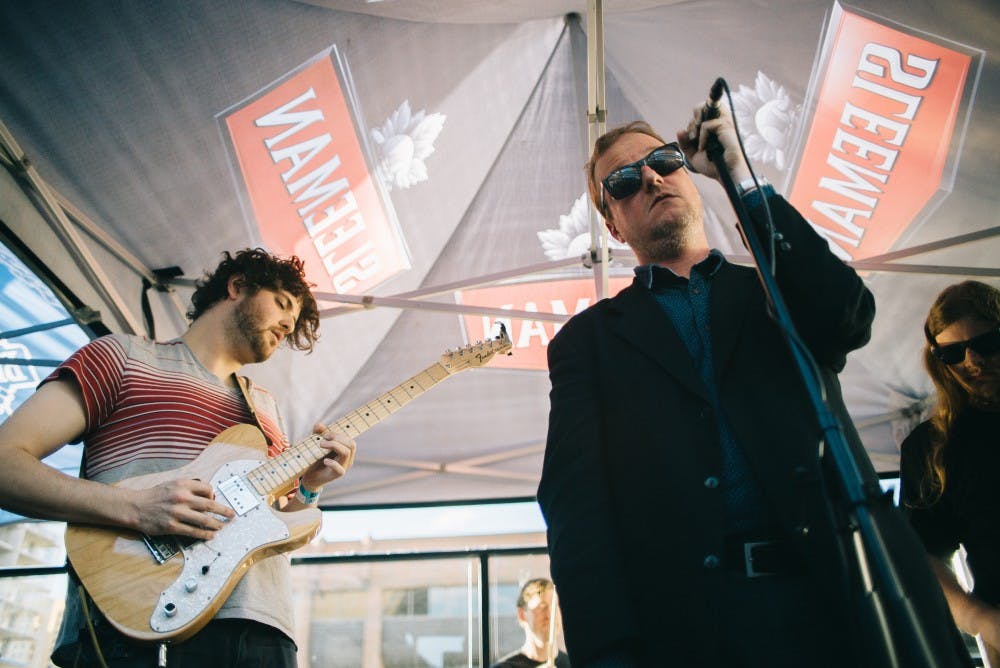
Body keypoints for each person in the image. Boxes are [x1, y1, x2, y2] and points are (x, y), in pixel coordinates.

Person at [536, 100, 968, 667]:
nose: (648, 177)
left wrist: (739, 176)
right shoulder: (586, 344)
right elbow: (576, 511)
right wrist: (609, 655)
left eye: (663, 161)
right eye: (621, 181)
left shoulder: (776, 286)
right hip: (695, 632)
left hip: (847, 604)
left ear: (687, 178)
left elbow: (848, 316)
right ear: (613, 224)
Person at [0, 248, 357, 667]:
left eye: (293, 321)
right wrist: (135, 507)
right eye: (281, 304)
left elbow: (270, 528)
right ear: (237, 286)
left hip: (261, 628)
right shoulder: (123, 356)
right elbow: (7, 462)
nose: (286, 324)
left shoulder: (266, 409)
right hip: (136, 618)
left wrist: (309, 489)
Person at [900, 280, 1000, 664]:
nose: (972, 361)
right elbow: (924, 553)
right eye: (953, 354)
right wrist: (981, 619)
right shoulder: (930, 448)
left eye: (987, 344)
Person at [491, 578, 570, 668]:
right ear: (522, 615)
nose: (550, 614)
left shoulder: (575, 664)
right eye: (542, 606)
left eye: (555, 606)